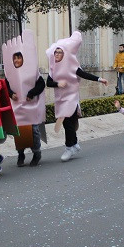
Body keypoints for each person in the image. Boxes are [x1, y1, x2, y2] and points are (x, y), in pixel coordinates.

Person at [46, 32, 108, 162]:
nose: (57, 54)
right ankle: (74, 144)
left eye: (59, 52)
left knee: (68, 122)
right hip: (60, 100)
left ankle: (69, 148)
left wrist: (100, 79)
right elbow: (48, 83)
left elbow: (84, 74)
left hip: (72, 99)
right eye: (55, 52)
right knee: (67, 124)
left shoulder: (72, 66)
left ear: (64, 54)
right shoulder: (53, 68)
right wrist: (58, 83)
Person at [3, 33, 46, 167]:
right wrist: (11, 94)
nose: (16, 60)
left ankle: (36, 153)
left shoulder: (34, 72)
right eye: (14, 58)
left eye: (19, 58)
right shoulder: (9, 74)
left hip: (31, 107)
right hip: (17, 107)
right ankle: (20, 153)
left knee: (34, 131)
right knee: (19, 132)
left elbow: (41, 85)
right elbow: (6, 87)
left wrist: (31, 93)